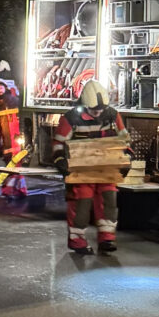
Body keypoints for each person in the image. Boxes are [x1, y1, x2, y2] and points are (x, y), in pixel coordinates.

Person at [51, 81, 129, 254]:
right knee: (81, 202)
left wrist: (126, 158)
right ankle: (77, 241)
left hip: (106, 167)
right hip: (80, 170)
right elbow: (58, 143)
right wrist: (60, 160)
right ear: (85, 104)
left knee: (109, 200)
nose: (98, 113)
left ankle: (107, 239)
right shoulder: (71, 118)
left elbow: (123, 139)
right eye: (94, 110)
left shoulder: (112, 115)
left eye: (101, 110)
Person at [0, 78, 28, 199]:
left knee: (16, 166)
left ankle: (15, 189)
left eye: (1, 87)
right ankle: (14, 189)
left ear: (5, 88)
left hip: (17, 141)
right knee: (10, 165)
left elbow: (23, 119)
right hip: (6, 143)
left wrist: (24, 135)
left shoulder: (15, 101)